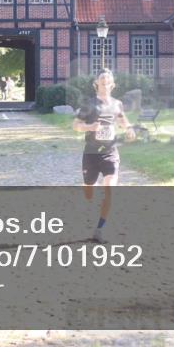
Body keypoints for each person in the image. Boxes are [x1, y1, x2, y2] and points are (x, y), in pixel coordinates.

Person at [73, 69, 136, 242]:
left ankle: (100, 229)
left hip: (110, 152)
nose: (106, 83)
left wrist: (129, 128)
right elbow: (76, 125)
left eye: (109, 81)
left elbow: (123, 120)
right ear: (96, 85)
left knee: (109, 189)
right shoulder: (89, 104)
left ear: (113, 85)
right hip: (91, 154)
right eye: (102, 80)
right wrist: (89, 127)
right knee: (88, 191)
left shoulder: (117, 104)